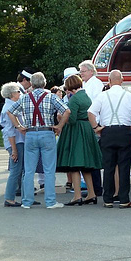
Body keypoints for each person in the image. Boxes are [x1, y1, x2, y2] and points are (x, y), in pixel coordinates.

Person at [7, 72, 70, 209]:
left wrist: (19, 126)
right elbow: (67, 111)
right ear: (44, 83)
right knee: (48, 169)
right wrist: (59, 126)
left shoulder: (24, 98)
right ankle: (50, 201)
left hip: (30, 134)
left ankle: (27, 201)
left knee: (29, 170)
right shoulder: (51, 96)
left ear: (32, 83)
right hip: (47, 133)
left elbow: (10, 112)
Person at [88, 70, 131, 208]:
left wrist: (95, 128)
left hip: (107, 131)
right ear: (122, 81)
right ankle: (124, 199)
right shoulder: (128, 96)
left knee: (108, 166)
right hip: (124, 131)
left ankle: (108, 199)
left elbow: (91, 112)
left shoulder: (102, 95)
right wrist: (129, 120)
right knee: (124, 166)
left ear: (109, 81)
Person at [56, 74, 103, 206]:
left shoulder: (75, 99)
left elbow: (71, 119)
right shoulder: (85, 96)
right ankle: (91, 193)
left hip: (76, 131)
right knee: (85, 165)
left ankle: (77, 196)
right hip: (86, 128)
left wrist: (60, 117)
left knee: (75, 164)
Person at [78, 60, 104, 198]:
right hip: (87, 121)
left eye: (83, 71)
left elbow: (93, 104)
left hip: (92, 122)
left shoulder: (96, 84)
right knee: (89, 156)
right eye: (80, 71)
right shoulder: (86, 84)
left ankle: (96, 187)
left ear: (91, 71)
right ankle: (92, 187)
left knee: (92, 156)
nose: (81, 73)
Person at [0, 82, 24, 207]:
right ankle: (9, 198)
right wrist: (14, 149)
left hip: (19, 140)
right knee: (16, 170)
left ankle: (25, 197)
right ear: (11, 94)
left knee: (22, 169)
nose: (20, 93)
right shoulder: (8, 109)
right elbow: (9, 131)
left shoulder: (13, 105)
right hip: (16, 142)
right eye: (18, 91)